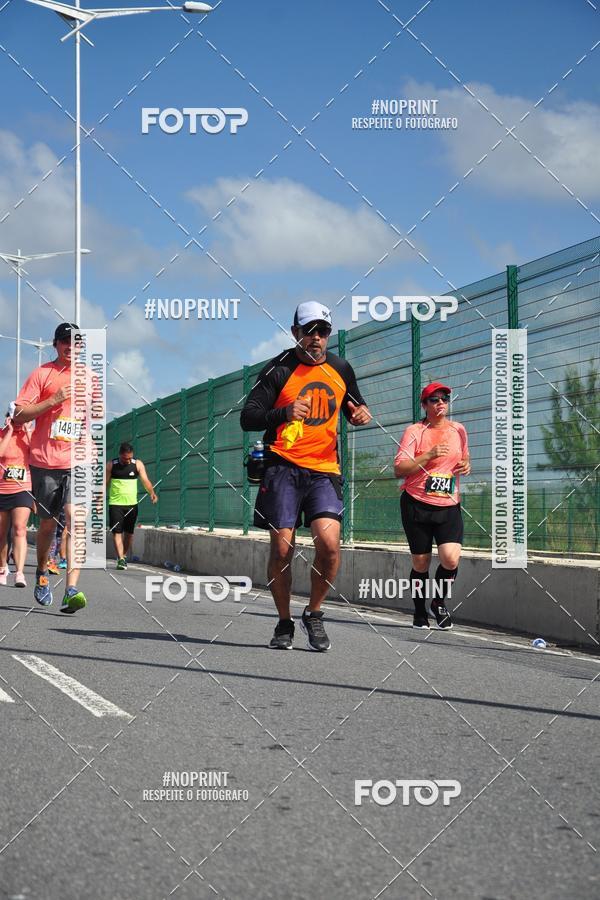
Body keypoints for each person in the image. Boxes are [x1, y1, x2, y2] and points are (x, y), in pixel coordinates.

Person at [240, 301, 372, 651]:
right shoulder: (279, 369)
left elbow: (355, 405)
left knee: (329, 546)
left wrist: (360, 414)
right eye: (309, 331)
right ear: (295, 332)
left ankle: (313, 613)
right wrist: (282, 412)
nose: (316, 338)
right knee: (282, 548)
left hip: (324, 470)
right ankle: (284, 622)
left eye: (323, 331)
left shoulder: (341, 369)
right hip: (282, 466)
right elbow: (248, 417)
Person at [14, 322, 101, 613]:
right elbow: (19, 416)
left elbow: (92, 423)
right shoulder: (42, 374)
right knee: (49, 524)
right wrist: (52, 400)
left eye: (76, 342)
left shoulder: (90, 378)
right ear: (56, 344)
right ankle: (41, 573)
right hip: (45, 461)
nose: (71, 346)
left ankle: (71, 589)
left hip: (80, 460)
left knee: (76, 518)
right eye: (65, 341)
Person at [394, 382, 470, 630]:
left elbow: (464, 457)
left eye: (445, 399)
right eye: (434, 399)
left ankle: (438, 602)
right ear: (424, 405)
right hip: (417, 503)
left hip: (448, 504)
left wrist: (466, 465)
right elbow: (399, 469)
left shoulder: (458, 430)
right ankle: (419, 611)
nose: (441, 403)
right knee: (421, 562)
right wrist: (429, 455)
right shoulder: (415, 431)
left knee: (450, 558)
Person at [106, 442, 157, 569]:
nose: (128, 461)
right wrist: (99, 500)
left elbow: (145, 480)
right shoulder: (111, 465)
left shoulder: (137, 464)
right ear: (120, 455)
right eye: (125, 458)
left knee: (129, 533)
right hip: (115, 504)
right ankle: (121, 559)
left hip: (132, 505)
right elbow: (104, 483)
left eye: (130, 458)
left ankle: (122, 557)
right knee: (117, 532)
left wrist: (151, 493)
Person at [0, 409, 35, 588]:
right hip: (2, 489)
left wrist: (28, 431)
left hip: (23, 488)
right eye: (16, 419)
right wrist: (10, 431)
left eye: (23, 419)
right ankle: (3, 567)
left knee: (20, 528)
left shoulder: (31, 435)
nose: (19, 422)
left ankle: (19, 572)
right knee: (2, 532)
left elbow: (36, 455)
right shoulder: (2, 433)